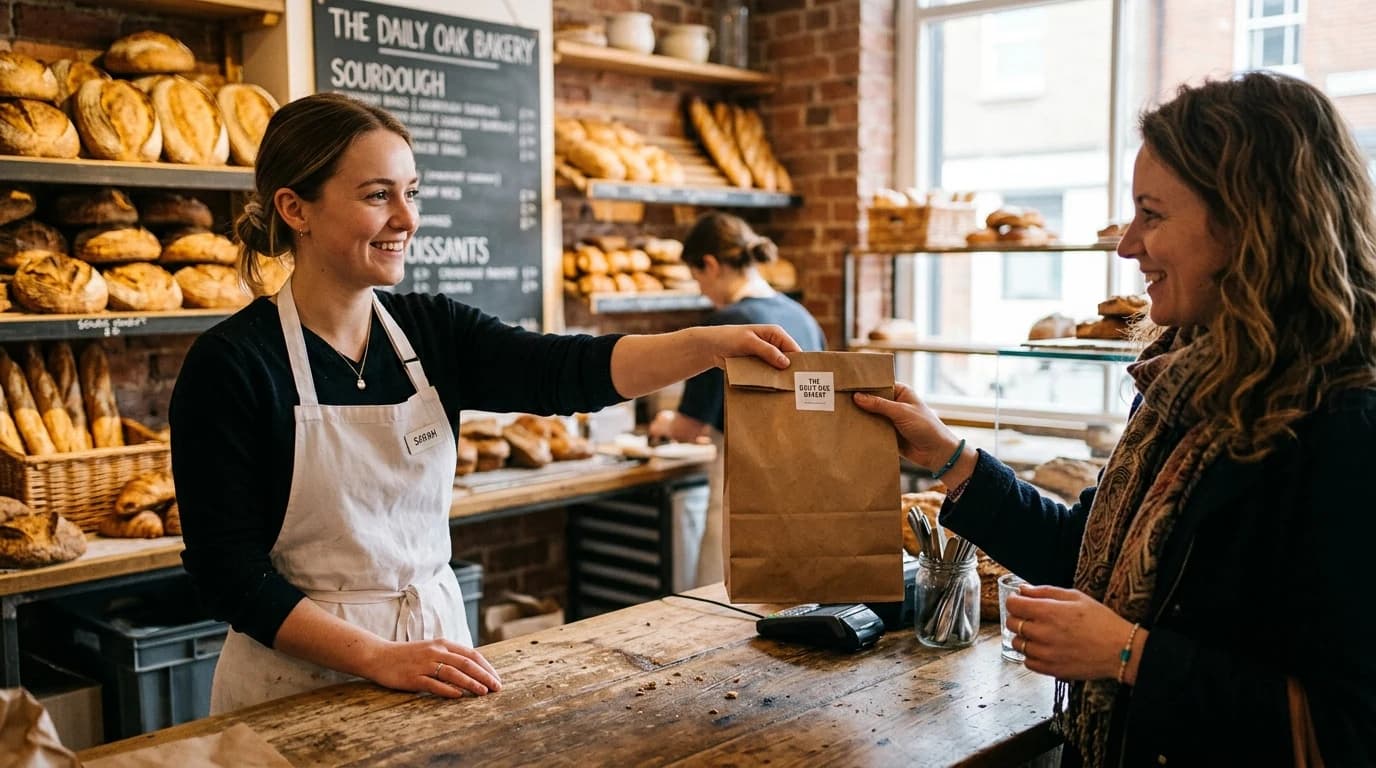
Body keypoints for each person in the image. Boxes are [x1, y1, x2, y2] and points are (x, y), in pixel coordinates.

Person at [168, 93, 801, 714]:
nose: (407, 219)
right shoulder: (232, 364)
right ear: (295, 209)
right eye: (377, 194)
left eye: (410, 192)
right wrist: (377, 657)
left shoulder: (433, 331)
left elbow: (565, 371)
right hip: (295, 685)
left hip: (434, 658)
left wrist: (704, 344)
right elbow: (230, 577)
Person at [856, 71, 1376, 765]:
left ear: (1249, 225)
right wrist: (950, 457)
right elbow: (1084, 556)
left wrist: (1129, 655)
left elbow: (1349, 730)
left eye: (1152, 215)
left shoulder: (1345, 428)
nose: (1127, 246)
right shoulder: (1180, 389)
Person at [648, 212, 825, 585]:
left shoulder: (728, 324)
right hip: (806, 487)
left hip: (745, 490)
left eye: (698, 278)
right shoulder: (802, 316)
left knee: (722, 602)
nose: (701, 291)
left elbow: (689, 425)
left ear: (710, 265)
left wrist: (662, 424)